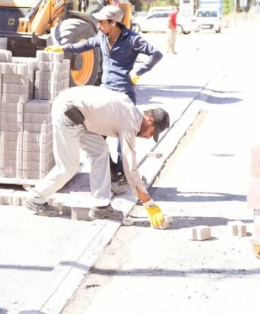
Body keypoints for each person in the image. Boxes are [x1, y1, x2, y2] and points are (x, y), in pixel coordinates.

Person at [45, 5, 163, 190]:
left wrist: (138, 71)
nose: (98, 25)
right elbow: (84, 45)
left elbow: (156, 53)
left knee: (123, 141)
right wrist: (63, 48)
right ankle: (110, 172)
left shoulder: (132, 39)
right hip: (105, 94)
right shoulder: (101, 36)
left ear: (113, 22)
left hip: (124, 94)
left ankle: (124, 176)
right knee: (96, 136)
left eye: (101, 22)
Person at [23, 85, 169, 227]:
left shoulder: (129, 113)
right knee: (69, 166)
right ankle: (35, 198)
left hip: (81, 117)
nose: (148, 137)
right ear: (150, 121)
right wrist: (148, 203)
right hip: (67, 112)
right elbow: (130, 168)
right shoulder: (129, 121)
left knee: (100, 151)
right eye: (152, 133)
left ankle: (101, 206)